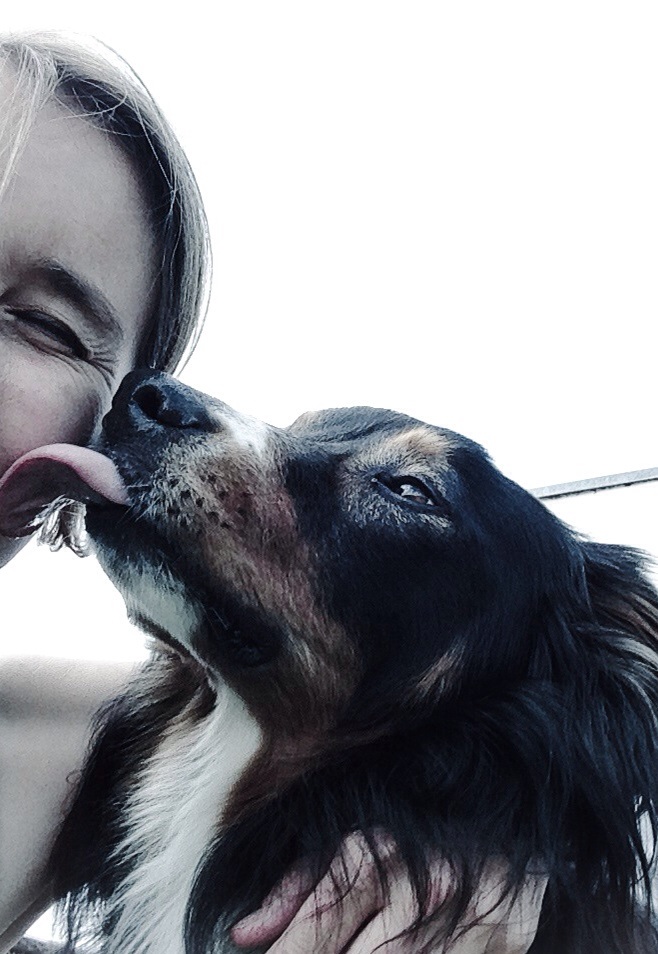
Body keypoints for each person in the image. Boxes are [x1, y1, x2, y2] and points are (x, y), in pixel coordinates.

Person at [0, 32, 544, 953]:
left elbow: (448, 750)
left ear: (89, 435)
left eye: (43, 326)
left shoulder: (79, 743)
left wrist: (492, 879)